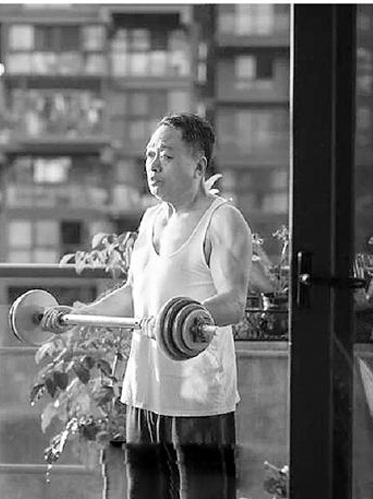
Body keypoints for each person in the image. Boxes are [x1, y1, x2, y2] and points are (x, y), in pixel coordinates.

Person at [74, 112, 252, 499]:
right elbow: (133, 293)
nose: (153, 165)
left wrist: (182, 319)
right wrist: (82, 315)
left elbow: (234, 303)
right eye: (150, 155)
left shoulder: (223, 220)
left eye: (167, 156)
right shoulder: (151, 219)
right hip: (143, 392)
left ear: (199, 166)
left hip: (198, 399)